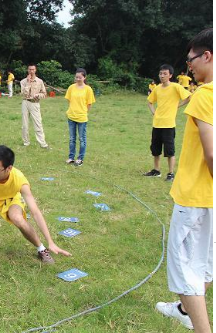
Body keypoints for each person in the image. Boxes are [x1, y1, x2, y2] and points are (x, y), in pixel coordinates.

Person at [155, 28, 213, 333]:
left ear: (207, 56)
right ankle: (183, 310)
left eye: (190, 59)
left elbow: (211, 155)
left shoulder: (205, 95)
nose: (187, 65)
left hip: (195, 198)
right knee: (203, 263)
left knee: (184, 271)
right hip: (208, 199)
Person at [0, 145, 71, 263]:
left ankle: (41, 249)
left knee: (17, 218)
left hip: (10, 200)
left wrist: (50, 241)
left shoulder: (19, 179)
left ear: (9, 168)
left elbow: (35, 212)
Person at [144, 64, 191, 181]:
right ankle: (156, 170)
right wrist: (154, 113)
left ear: (170, 75)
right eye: (160, 74)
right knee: (155, 150)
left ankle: (170, 173)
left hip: (169, 125)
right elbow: (150, 102)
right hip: (157, 124)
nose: (162, 76)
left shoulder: (176, 87)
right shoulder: (157, 88)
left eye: (165, 74)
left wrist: (178, 106)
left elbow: (189, 97)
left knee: (170, 151)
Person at [64, 68, 96, 166]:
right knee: (72, 138)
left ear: (84, 77)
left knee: (82, 139)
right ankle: (71, 157)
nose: (78, 79)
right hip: (71, 116)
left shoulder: (88, 89)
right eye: (76, 77)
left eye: (80, 77)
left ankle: (80, 158)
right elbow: (69, 100)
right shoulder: (71, 87)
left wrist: (84, 111)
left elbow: (89, 103)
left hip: (82, 118)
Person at [20, 64, 49, 149]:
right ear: (27, 70)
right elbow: (23, 94)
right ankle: (26, 142)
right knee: (25, 124)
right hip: (25, 102)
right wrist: (28, 83)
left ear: (35, 70)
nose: (31, 71)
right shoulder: (23, 81)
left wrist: (38, 95)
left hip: (35, 103)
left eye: (33, 69)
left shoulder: (39, 81)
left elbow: (44, 94)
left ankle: (43, 143)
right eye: (29, 69)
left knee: (38, 123)